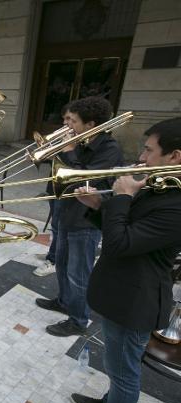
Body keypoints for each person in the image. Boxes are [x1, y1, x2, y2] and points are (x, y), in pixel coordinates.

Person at [70, 117, 181, 403]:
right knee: (117, 367)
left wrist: (121, 196)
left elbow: (121, 243)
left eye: (148, 151)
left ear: (175, 156)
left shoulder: (177, 203)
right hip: (123, 292)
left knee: (124, 374)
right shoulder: (163, 186)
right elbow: (127, 228)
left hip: (135, 303)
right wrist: (98, 207)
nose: (141, 158)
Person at [36, 96, 124, 337]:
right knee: (62, 264)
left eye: (73, 121)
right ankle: (64, 301)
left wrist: (69, 151)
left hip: (85, 219)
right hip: (66, 211)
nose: (68, 126)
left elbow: (85, 178)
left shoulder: (109, 149)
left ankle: (78, 319)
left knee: (79, 273)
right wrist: (45, 154)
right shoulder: (82, 141)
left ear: (90, 123)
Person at [33, 103, 71, 277]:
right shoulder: (67, 137)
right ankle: (52, 254)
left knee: (59, 226)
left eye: (69, 119)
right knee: (55, 226)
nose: (65, 123)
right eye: (64, 118)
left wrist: (67, 148)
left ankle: (55, 260)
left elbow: (72, 164)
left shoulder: (79, 142)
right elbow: (56, 161)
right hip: (54, 185)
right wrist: (43, 153)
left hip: (67, 189)